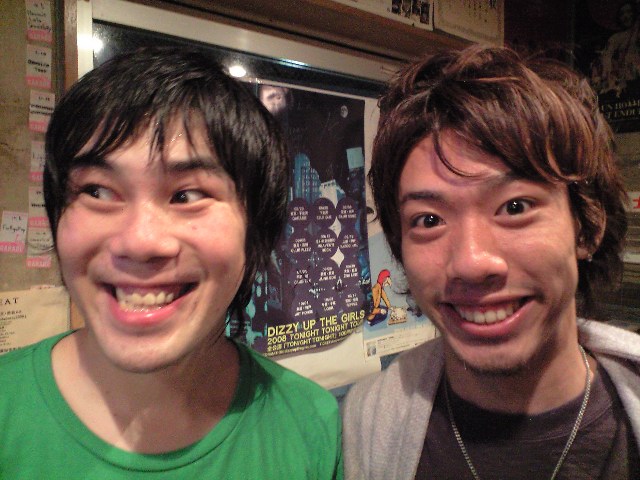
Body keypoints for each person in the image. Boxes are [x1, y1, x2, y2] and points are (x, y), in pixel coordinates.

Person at [0, 46, 342, 479]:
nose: (140, 242)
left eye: (187, 195)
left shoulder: (309, 425)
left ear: (255, 232)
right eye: (98, 191)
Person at [342, 45, 640, 479]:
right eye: (428, 220)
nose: (471, 262)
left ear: (587, 226)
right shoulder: (366, 424)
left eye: (515, 207)